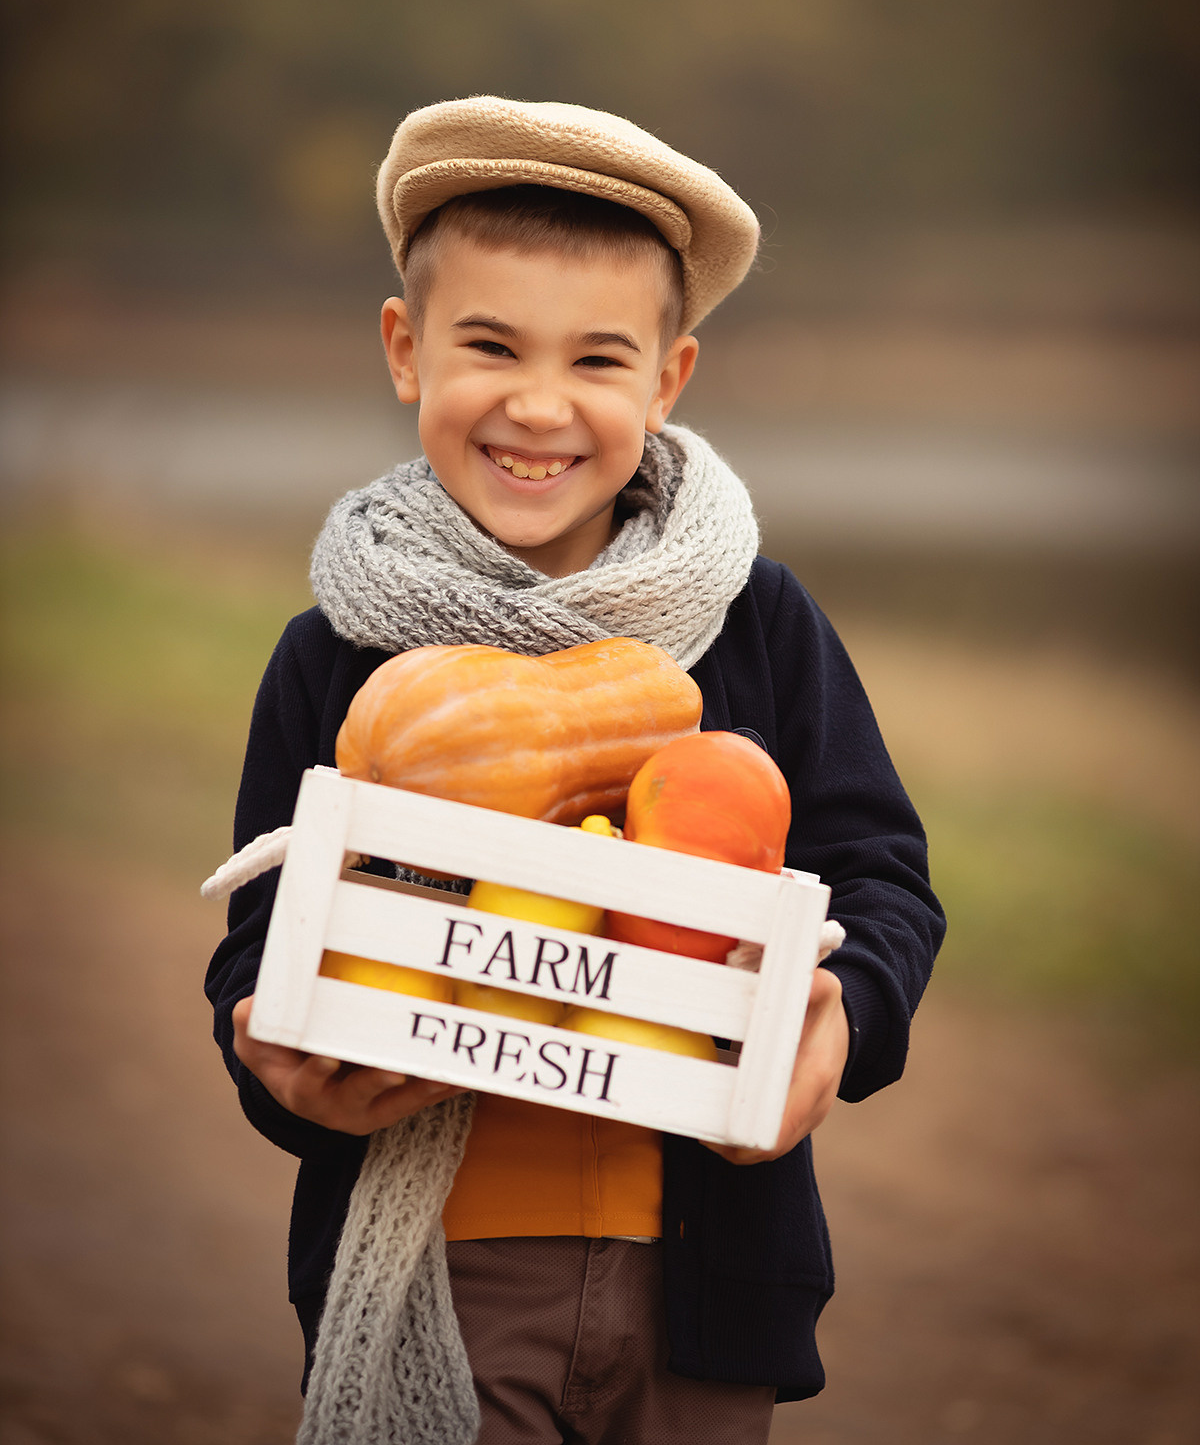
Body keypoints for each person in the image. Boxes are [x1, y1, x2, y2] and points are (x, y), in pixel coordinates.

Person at [205, 96, 944, 1444]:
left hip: (704, 1275)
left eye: (598, 361)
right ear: (404, 349)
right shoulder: (338, 652)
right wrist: (279, 1057)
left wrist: (840, 1010)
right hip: (443, 1268)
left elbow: (885, 878)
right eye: (488, 345)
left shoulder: (757, 626)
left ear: (667, 381)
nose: (538, 406)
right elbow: (263, 934)